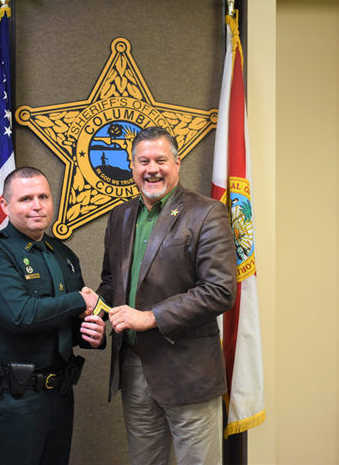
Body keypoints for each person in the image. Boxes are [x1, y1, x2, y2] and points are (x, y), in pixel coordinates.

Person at [95, 126, 237, 464]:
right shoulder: (121, 216)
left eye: (161, 160)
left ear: (177, 163)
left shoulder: (207, 214)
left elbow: (219, 291)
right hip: (133, 368)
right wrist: (97, 313)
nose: (152, 169)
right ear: (132, 166)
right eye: (143, 161)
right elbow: (112, 281)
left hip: (188, 373)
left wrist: (150, 317)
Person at [0, 166, 105, 465]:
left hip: (59, 395)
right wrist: (79, 300)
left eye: (43, 196)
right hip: (12, 400)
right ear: (5, 206)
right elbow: (21, 315)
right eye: (26, 198)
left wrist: (93, 333)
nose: (37, 205)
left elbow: (68, 322)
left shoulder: (62, 255)